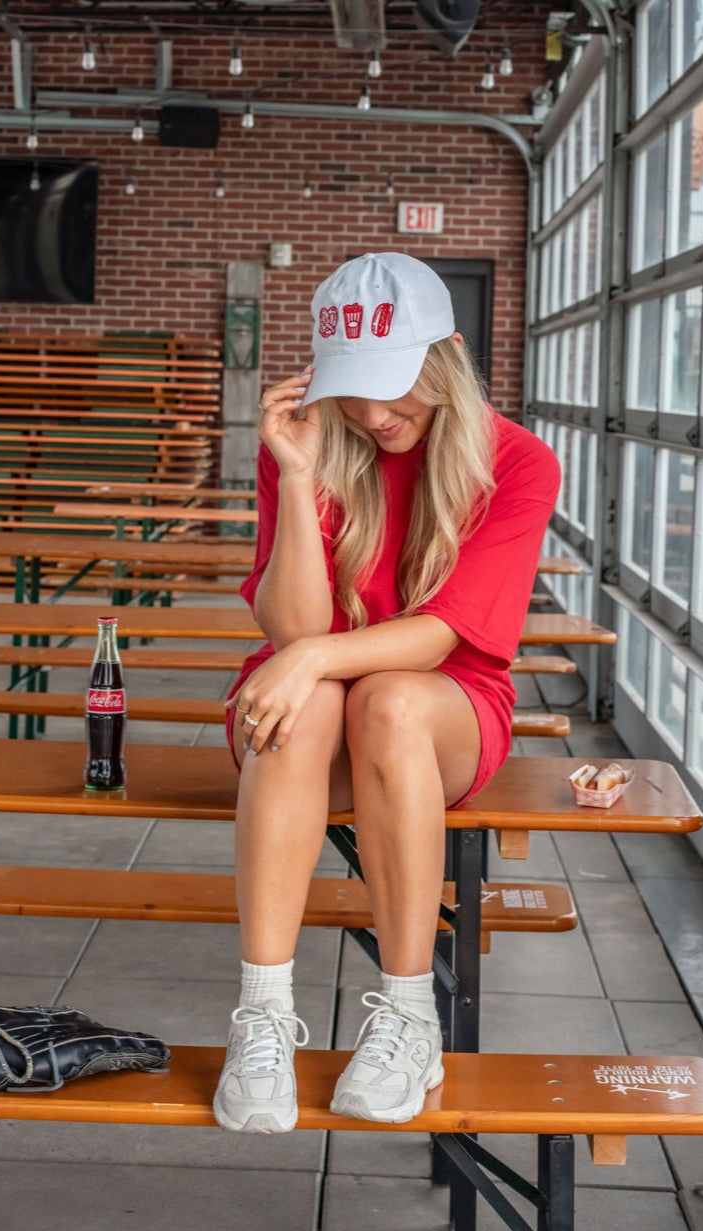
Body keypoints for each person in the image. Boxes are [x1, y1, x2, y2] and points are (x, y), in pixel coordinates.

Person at [213, 252, 560, 1134]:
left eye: (394, 383)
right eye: (353, 388)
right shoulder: (313, 442)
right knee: (320, 701)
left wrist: (309, 659)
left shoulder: (517, 462)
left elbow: (442, 637)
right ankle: (261, 1015)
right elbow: (294, 630)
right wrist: (297, 476)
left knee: (389, 700)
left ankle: (409, 1015)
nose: (372, 414)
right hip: (307, 707)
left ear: (448, 356)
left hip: (440, 711)